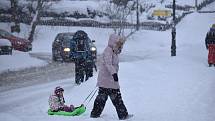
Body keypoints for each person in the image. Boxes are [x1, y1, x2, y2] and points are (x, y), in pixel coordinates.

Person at [90, 34, 131, 120]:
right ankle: (122, 115)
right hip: (106, 79)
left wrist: (114, 75)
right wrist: (114, 74)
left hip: (110, 80)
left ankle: (95, 114)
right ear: (114, 42)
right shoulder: (108, 51)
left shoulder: (113, 51)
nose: (120, 46)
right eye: (119, 44)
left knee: (110, 98)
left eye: (121, 44)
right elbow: (108, 64)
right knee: (111, 98)